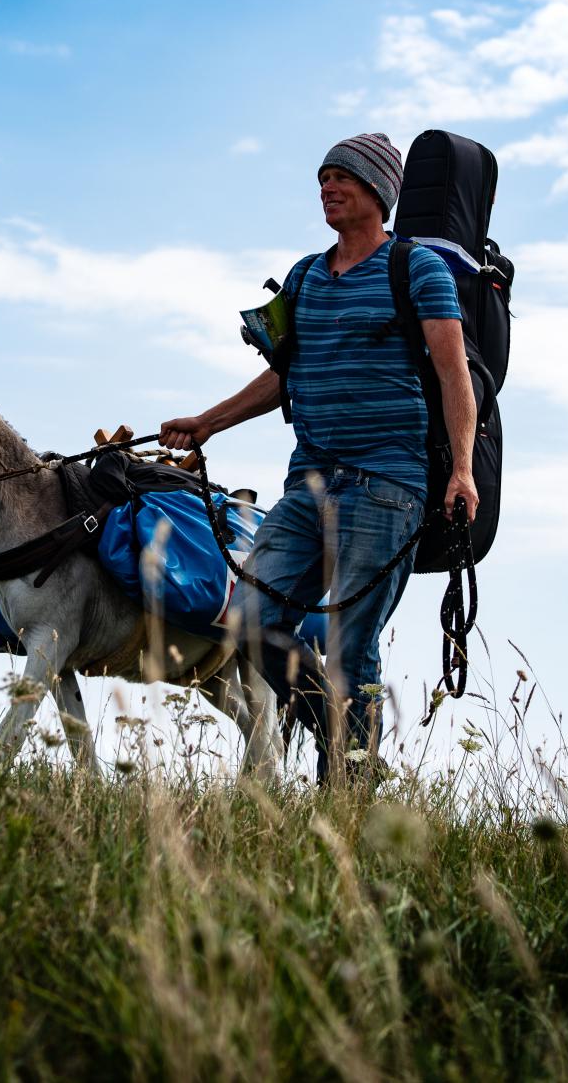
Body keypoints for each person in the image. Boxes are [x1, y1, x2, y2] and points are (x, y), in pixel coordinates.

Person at [161, 133, 478, 778]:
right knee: (247, 617)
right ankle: (334, 735)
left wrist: (464, 470)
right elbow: (284, 374)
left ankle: (347, 791)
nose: (327, 188)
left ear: (379, 193)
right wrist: (208, 424)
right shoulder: (306, 276)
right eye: (323, 178)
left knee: (350, 648)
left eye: (343, 177)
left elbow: (453, 376)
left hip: (388, 484)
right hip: (308, 483)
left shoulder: (417, 270)